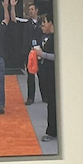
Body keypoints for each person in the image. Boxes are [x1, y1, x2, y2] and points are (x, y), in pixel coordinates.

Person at [35, 12, 57, 141]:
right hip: (47, 74)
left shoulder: (55, 38)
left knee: (53, 103)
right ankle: (53, 129)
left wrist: (42, 54)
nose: (43, 25)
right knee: (51, 103)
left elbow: (57, 56)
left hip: (53, 75)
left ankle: (52, 131)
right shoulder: (47, 37)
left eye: (45, 22)